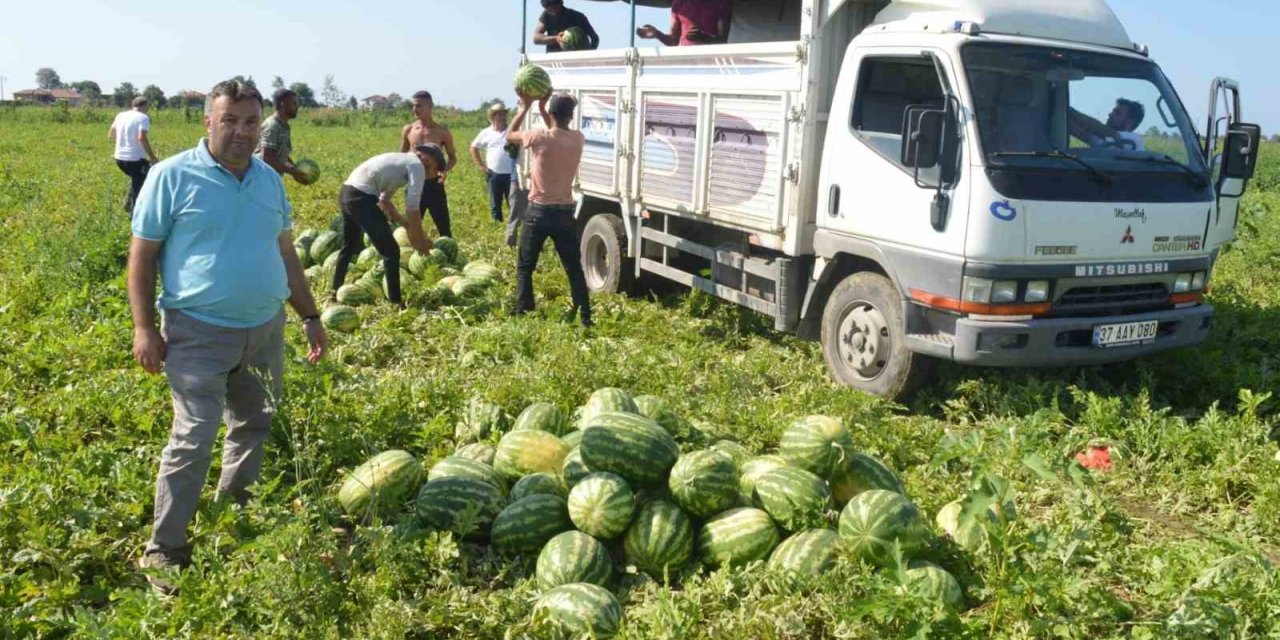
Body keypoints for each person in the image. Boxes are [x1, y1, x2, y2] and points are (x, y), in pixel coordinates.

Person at [128, 79, 327, 595]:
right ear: (208, 122)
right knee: (194, 435)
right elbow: (142, 256)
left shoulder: (268, 180)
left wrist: (309, 315)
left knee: (254, 424)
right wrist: (144, 327)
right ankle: (164, 548)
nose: (241, 131)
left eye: (250, 121)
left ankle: (234, 514)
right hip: (198, 332)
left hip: (264, 329)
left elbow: (286, 254)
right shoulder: (171, 176)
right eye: (230, 120)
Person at [505, 93, 592, 327]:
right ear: (571, 116)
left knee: (525, 266)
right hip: (565, 212)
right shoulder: (577, 139)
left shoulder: (538, 137)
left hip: (539, 212)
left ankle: (524, 309)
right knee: (573, 267)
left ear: (552, 115)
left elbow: (509, 135)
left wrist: (525, 108)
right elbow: (556, 131)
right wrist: (545, 108)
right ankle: (585, 316)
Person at [332, 147, 440, 307]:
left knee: (349, 246)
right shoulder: (416, 165)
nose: (429, 168)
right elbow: (412, 206)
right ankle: (396, 302)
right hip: (361, 199)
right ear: (426, 158)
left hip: (347, 193)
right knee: (391, 252)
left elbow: (384, 201)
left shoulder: (401, 163)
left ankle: (333, 294)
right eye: (431, 162)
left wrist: (405, 224)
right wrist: (420, 241)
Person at [400, 91, 457, 237]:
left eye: (419, 106)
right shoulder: (409, 130)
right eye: (413, 106)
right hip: (414, 184)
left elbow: (452, 158)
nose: (415, 109)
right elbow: (400, 156)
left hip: (434, 185)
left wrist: (443, 170)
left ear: (430, 107)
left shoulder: (442, 132)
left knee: (444, 228)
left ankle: (449, 256)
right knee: (411, 228)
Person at [254, 88, 314, 185]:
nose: (297, 107)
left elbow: (281, 155)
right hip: (260, 178)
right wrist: (293, 171)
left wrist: (296, 171)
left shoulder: (283, 126)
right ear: (282, 104)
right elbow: (267, 158)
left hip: (271, 179)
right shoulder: (272, 126)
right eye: (294, 103)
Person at [109, 96, 159, 213]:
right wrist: (152, 157)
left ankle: (127, 205)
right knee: (141, 183)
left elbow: (111, 134)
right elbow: (141, 138)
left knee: (137, 180)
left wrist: (124, 142)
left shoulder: (121, 115)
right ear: (145, 105)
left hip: (119, 158)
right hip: (134, 159)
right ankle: (134, 213)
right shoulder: (143, 118)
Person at [470, 102, 517, 223]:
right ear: (493, 116)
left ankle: (512, 228)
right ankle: (497, 226)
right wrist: (481, 166)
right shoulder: (486, 132)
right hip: (493, 173)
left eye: (504, 114)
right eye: (499, 114)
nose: (502, 117)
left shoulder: (512, 130)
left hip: (512, 174)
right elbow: (473, 147)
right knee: (495, 205)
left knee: (513, 204)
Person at [637, 0, 733, 46]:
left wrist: (704, 38)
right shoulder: (678, 3)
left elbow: (723, 40)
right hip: (686, 60)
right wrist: (657, 34)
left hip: (712, 63)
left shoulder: (721, 2)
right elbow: (673, 41)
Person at [1070, 98, 1146, 151]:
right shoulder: (1105, 139)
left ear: (1129, 123)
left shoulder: (1134, 140)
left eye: (1117, 113)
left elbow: (1094, 126)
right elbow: (1079, 131)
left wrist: (1067, 109)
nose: (1110, 114)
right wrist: (1060, 112)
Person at [534, 0, 600, 53]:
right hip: (554, 60)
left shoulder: (578, 17)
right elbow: (536, 38)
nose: (551, 12)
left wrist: (588, 54)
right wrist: (556, 38)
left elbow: (595, 38)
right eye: (548, 10)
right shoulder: (546, 15)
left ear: (560, 3)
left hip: (575, 60)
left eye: (553, 9)